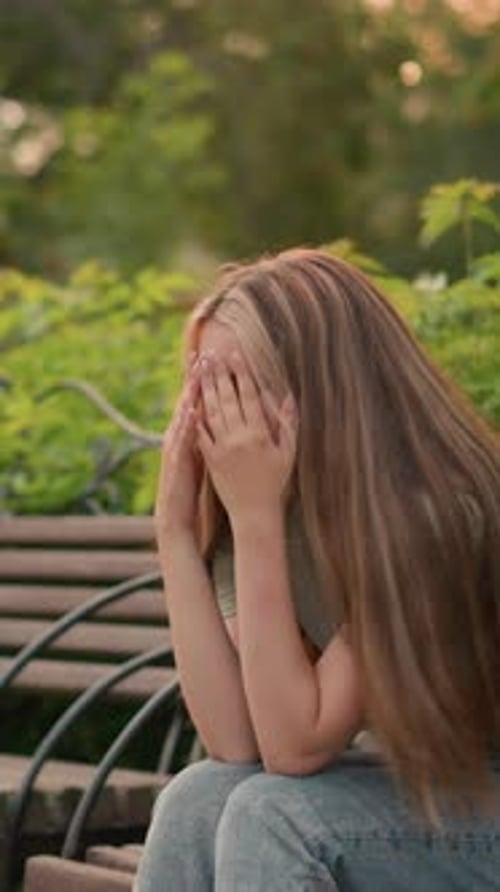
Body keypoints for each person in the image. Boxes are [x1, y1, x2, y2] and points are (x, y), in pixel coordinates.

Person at [135, 248, 500, 891]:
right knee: (198, 797)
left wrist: (253, 521)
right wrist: (174, 533)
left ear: (319, 392)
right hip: (432, 792)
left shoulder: (438, 514)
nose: (217, 415)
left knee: (275, 817)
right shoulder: (273, 511)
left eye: (237, 387)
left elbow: (296, 746)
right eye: (204, 385)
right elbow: (238, 739)